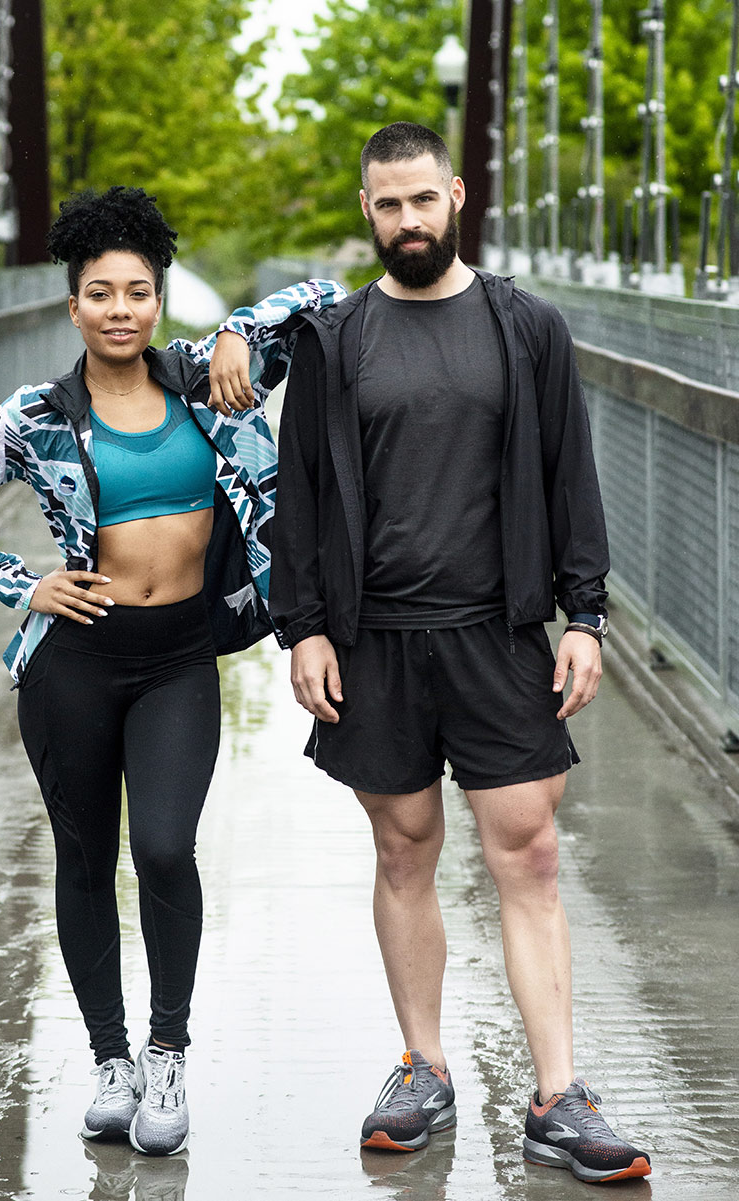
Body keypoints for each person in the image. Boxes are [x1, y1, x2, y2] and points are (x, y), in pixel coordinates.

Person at [0, 185, 343, 1155]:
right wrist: (25, 584)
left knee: (162, 849)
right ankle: (111, 1061)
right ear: (73, 308)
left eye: (138, 292)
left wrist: (241, 326)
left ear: (159, 300)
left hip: (181, 656)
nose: (119, 309)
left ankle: (168, 1051)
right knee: (81, 857)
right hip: (75, 663)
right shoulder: (35, 417)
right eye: (99, 293)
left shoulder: (206, 382)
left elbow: (326, 296)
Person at [269, 121, 651, 1184]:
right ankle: (423, 1067)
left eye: (422, 201)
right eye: (386, 205)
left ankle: (559, 1095)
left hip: (498, 631)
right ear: (367, 211)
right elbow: (297, 497)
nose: (407, 222)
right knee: (403, 851)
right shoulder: (335, 340)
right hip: (373, 639)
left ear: (458, 195)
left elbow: (572, 474)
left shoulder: (525, 325)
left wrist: (587, 615)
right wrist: (302, 625)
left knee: (528, 852)